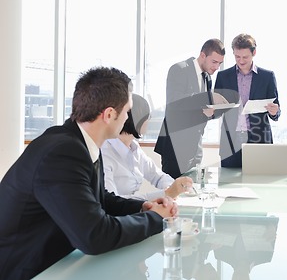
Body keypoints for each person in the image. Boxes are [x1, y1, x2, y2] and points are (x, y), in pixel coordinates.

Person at [0, 67, 177, 280]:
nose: (128, 117)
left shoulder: (80, 143)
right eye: (127, 111)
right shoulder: (63, 152)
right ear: (110, 115)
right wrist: (155, 219)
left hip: (58, 264)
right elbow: (94, 235)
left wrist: (141, 207)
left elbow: (99, 199)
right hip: (25, 270)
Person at [154, 38, 226, 178]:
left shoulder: (207, 77)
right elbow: (175, 102)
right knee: (173, 194)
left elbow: (202, 110)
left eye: (220, 63)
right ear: (203, 55)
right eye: (214, 62)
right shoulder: (179, 69)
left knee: (192, 194)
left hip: (195, 148)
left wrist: (215, 111)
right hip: (175, 147)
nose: (217, 67)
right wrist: (208, 97)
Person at [102, 94, 193, 200]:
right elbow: (113, 202)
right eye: (147, 116)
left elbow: (158, 176)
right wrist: (165, 194)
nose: (149, 120)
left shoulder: (134, 147)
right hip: (119, 214)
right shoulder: (105, 154)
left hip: (134, 211)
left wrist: (176, 187)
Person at [214, 33, 280, 168]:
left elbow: (276, 112)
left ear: (254, 52)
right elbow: (216, 111)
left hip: (259, 141)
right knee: (228, 185)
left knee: (259, 184)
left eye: (245, 57)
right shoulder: (223, 76)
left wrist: (274, 111)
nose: (241, 61)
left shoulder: (267, 77)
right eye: (237, 56)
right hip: (230, 142)